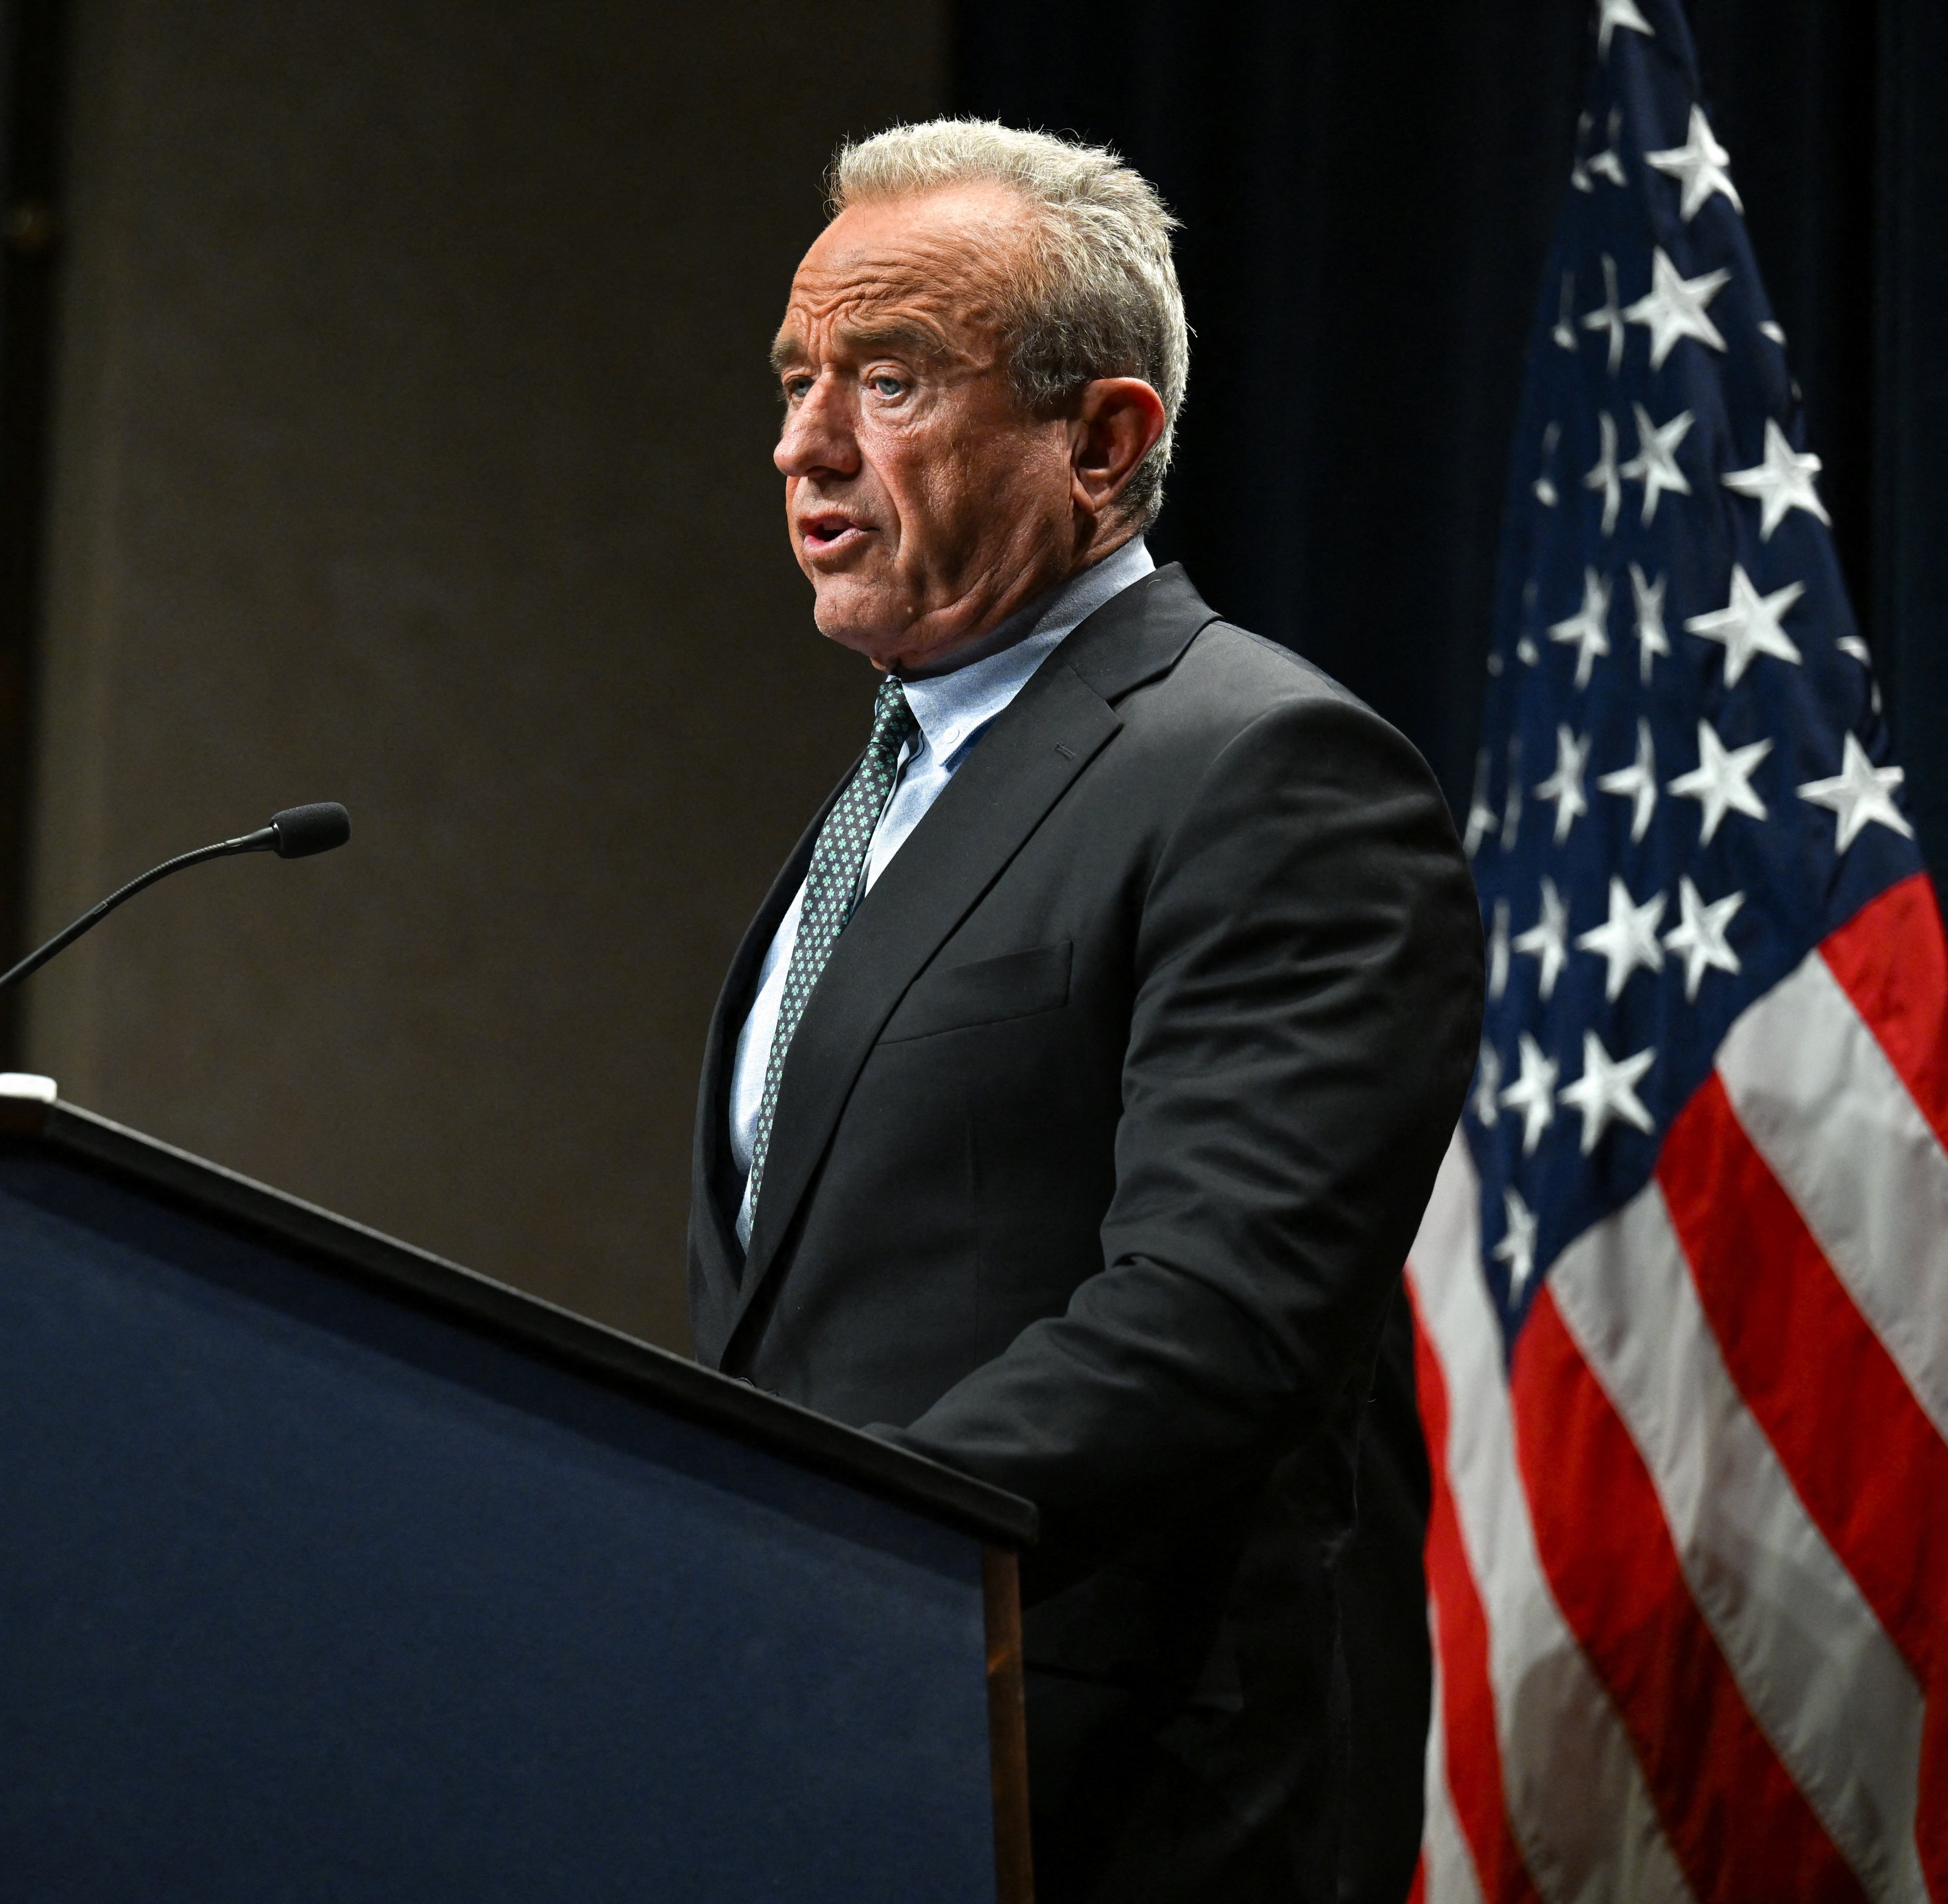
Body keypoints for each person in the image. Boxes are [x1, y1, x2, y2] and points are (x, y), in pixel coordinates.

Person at [689, 118, 1482, 1901]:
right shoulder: (891, 794)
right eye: (797, 378)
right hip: (830, 1754)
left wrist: (824, 1544)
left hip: (1119, 1804)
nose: (802, 442)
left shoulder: (1267, 770)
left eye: (889, 379)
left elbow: (1218, 1315)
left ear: (1102, 441)